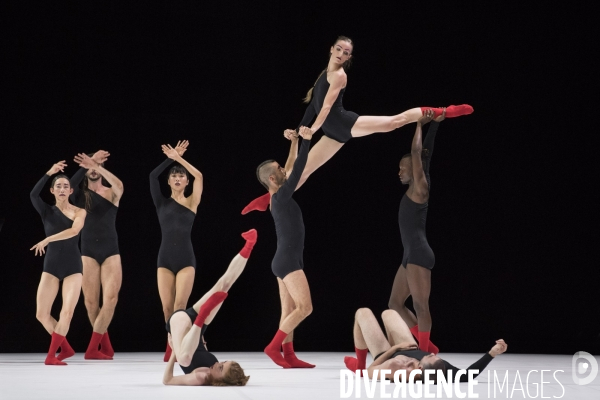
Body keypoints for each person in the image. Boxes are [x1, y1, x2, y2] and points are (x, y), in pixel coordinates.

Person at [242, 36, 472, 212]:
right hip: (330, 134)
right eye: (339, 49)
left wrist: (312, 130)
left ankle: (444, 110)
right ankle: (267, 200)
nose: (341, 54)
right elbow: (313, 105)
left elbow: (325, 108)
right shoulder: (324, 73)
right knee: (299, 174)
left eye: (346, 53)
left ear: (349, 58)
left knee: (394, 122)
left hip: (344, 125)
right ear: (331, 49)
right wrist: (297, 129)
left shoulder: (340, 76)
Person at [250, 126, 315, 368]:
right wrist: (306, 142)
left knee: (288, 311)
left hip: (285, 259)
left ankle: (289, 354)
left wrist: (294, 142)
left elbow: (288, 168)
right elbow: (296, 171)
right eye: (278, 170)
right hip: (287, 261)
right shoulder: (282, 196)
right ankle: (273, 346)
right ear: (271, 179)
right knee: (305, 308)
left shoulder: (277, 196)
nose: (283, 170)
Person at [162, 229, 257, 386]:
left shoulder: (200, 378)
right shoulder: (215, 370)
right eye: (223, 362)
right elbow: (201, 351)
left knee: (184, 359)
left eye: (220, 368)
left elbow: (168, 380)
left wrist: (173, 351)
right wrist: (201, 340)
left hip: (180, 325)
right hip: (195, 331)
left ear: (220, 380)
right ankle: (249, 245)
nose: (217, 364)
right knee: (223, 285)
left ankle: (202, 316)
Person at [388, 110, 444, 354]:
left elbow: (418, 154)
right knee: (394, 303)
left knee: (421, 306)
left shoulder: (421, 189)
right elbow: (425, 156)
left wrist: (419, 125)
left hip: (420, 253)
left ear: (415, 169)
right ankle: (428, 348)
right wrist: (434, 126)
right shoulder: (416, 185)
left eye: (403, 168)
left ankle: (423, 355)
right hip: (409, 256)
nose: (399, 172)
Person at [344, 308, 507, 382]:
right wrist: (492, 353)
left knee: (362, 313)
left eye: (429, 356)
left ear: (420, 368)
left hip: (385, 354)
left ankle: (358, 365)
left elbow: (371, 371)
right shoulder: (440, 369)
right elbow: (467, 375)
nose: (431, 354)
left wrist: (393, 349)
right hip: (409, 346)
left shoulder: (398, 371)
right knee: (389, 312)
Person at [149, 140, 203, 361]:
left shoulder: (192, 202)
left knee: (180, 307)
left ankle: (178, 346)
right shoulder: (161, 203)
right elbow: (153, 177)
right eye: (174, 176)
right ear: (169, 181)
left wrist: (179, 159)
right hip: (165, 260)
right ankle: (170, 344)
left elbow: (199, 176)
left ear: (186, 181)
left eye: (181, 176)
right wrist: (169, 159)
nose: (178, 178)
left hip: (186, 260)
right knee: (166, 308)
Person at [30, 161, 87, 365]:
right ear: (53, 190)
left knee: (67, 312)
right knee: (41, 314)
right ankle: (66, 347)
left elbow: (74, 231)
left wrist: (47, 239)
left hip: (73, 266)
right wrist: (49, 172)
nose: (62, 189)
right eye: (58, 186)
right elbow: (33, 195)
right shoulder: (46, 211)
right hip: (51, 266)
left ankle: (51, 356)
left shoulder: (79, 212)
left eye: (66, 186)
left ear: (71, 190)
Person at [69, 150, 123, 360]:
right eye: (89, 168)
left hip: (111, 251)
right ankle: (105, 347)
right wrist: (86, 164)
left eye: (95, 168)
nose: (92, 170)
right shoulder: (79, 196)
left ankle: (92, 349)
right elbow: (70, 187)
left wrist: (98, 165)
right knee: (91, 303)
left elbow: (119, 185)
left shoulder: (111, 193)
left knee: (110, 298)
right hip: (88, 251)